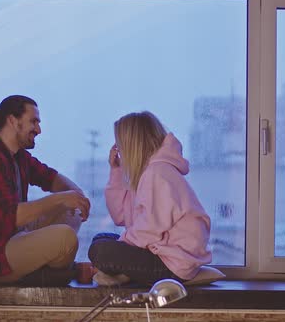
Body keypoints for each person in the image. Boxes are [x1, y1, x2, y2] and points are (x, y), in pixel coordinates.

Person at [0, 95, 91, 286]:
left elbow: (50, 178)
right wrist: (61, 199)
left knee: (73, 212)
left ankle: (45, 272)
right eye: (33, 121)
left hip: (13, 239)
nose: (38, 129)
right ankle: (60, 272)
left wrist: (78, 196)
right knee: (65, 239)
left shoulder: (19, 156)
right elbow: (11, 217)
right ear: (12, 120)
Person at [88, 111, 211, 286]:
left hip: (173, 264)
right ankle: (124, 273)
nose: (119, 150)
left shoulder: (158, 174)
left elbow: (149, 229)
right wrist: (116, 171)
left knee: (99, 251)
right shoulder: (147, 173)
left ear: (132, 145)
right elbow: (120, 216)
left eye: (120, 145)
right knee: (101, 239)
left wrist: (121, 251)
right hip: (160, 251)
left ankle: (124, 274)